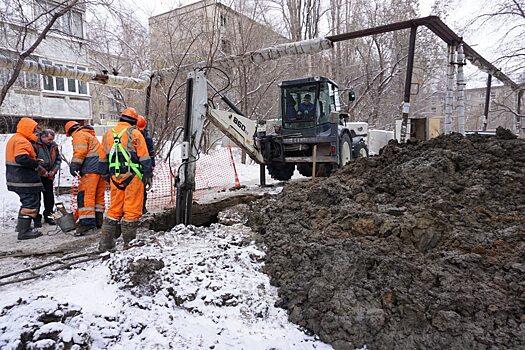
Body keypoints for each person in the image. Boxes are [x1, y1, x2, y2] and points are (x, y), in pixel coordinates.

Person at [98, 107, 153, 251]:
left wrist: (105, 176)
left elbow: (102, 159)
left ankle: (106, 244)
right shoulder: (135, 133)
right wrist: (147, 175)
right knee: (131, 210)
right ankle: (129, 245)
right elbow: (144, 157)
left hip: (115, 177)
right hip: (133, 176)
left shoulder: (107, 135)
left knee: (114, 209)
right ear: (134, 122)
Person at [5, 117, 46, 240]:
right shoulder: (21, 140)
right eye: (34, 130)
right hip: (23, 178)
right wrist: (35, 163)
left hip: (16, 177)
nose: (36, 133)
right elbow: (21, 158)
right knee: (30, 203)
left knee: (26, 202)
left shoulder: (16, 139)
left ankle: (21, 226)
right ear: (28, 129)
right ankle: (24, 231)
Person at [64, 121, 106, 235]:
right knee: (98, 196)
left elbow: (80, 152)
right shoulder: (89, 135)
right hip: (101, 170)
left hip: (90, 170)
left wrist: (74, 166)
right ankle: (98, 221)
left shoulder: (79, 135)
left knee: (85, 196)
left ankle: (86, 224)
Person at [33, 129, 61, 226]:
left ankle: (49, 216)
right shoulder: (35, 144)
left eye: (52, 139)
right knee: (36, 198)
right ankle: (36, 218)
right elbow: (33, 160)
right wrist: (43, 171)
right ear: (43, 137)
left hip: (49, 174)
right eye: (49, 139)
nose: (51, 141)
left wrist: (53, 171)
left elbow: (58, 160)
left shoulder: (54, 146)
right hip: (37, 175)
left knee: (49, 197)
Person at [136, 115, 155, 214]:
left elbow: (150, 153)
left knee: (141, 191)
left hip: (141, 169)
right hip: (138, 169)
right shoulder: (141, 136)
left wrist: (149, 171)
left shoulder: (145, 137)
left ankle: (142, 209)